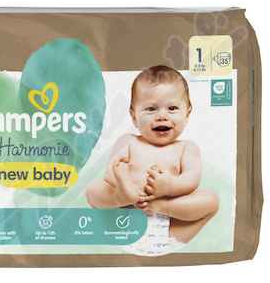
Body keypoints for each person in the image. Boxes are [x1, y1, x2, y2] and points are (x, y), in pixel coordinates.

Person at [85, 65, 219, 246]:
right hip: (123, 223)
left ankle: (160, 205)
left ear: (187, 115)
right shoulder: (128, 141)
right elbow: (110, 172)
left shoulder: (187, 147)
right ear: (134, 117)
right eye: (150, 109)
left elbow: (193, 177)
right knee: (93, 189)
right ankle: (120, 197)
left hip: (171, 231)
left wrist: (171, 186)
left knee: (211, 200)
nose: (162, 116)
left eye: (172, 108)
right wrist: (127, 185)